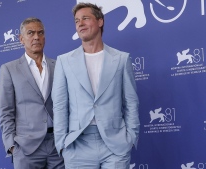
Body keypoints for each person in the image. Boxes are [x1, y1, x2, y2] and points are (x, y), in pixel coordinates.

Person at [52, 3, 140, 169]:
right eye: (77, 20)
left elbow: (131, 103)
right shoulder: (64, 61)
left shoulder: (121, 59)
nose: (80, 23)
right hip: (77, 144)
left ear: (100, 22)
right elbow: (59, 105)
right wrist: (62, 144)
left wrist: (130, 138)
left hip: (115, 144)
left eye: (86, 18)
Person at [0, 17, 64, 169]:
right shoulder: (9, 69)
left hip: (57, 145)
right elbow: (6, 111)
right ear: (21, 39)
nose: (36, 37)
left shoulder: (59, 66)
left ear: (44, 38)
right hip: (26, 148)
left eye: (40, 33)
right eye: (31, 33)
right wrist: (12, 146)